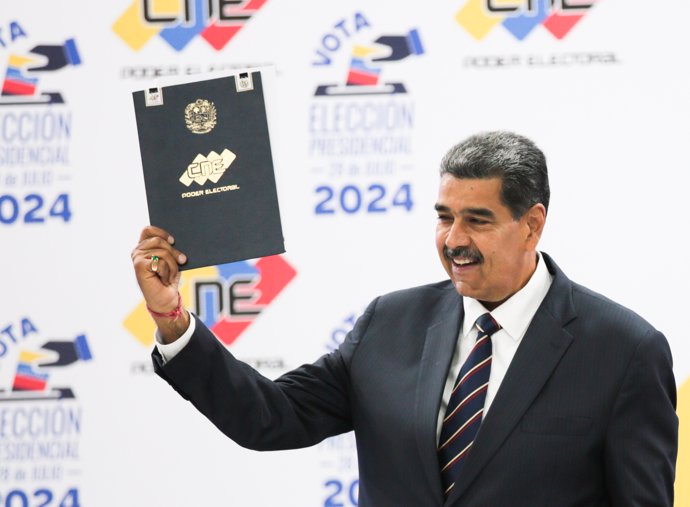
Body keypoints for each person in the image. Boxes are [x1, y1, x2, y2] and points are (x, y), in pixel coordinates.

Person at [131, 131, 678, 506]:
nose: (454, 240)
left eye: (477, 221)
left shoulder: (624, 352)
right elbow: (269, 417)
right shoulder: (389, 324)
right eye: (444, 218)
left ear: (532, 225)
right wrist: (172, 318)